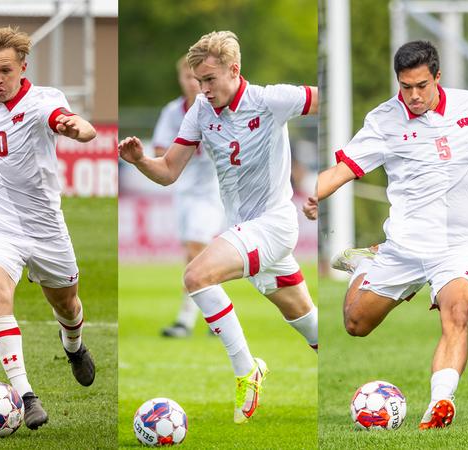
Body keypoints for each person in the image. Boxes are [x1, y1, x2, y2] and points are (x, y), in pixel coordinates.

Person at [304, 40, 468, 429]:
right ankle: (363, 266)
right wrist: (306, 197)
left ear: (438, 77)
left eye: (421, 85)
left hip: (459, 244)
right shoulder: (382, 121)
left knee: (458, 312)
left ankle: (439, 403)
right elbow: (340, 172)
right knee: (355, 325)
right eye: (405, 87)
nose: (414, 96)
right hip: (404, 246)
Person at [119, 30, 319, 424]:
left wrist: (323, 182)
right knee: (312, 327)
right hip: (244, 227)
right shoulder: (200, 110)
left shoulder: (270, 100)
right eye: (198, 81)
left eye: (210, 80)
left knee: (196, 276)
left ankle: (247, 371)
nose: (203, 89)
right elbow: (169, 171)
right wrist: (141, 160)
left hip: (274, 224)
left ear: (234, 70)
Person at [0, 27, 97, 430]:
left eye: (5, 70)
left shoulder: (45, 101)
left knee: (67, 305)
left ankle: (73, 345)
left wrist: (79, 129)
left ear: (23, 67)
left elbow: (68, 121)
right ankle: (26, 395)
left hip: (46, 230)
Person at [153, 54, 225, 338]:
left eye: (199, 78)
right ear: (181, 79)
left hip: (212, 191)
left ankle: (201, 316)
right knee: (192, 256)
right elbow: (160, 150)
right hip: (184, 191)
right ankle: (206, 316)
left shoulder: (218, 108)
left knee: (197, 252)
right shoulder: (173, 112)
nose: (193, 84)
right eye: (187, 77)